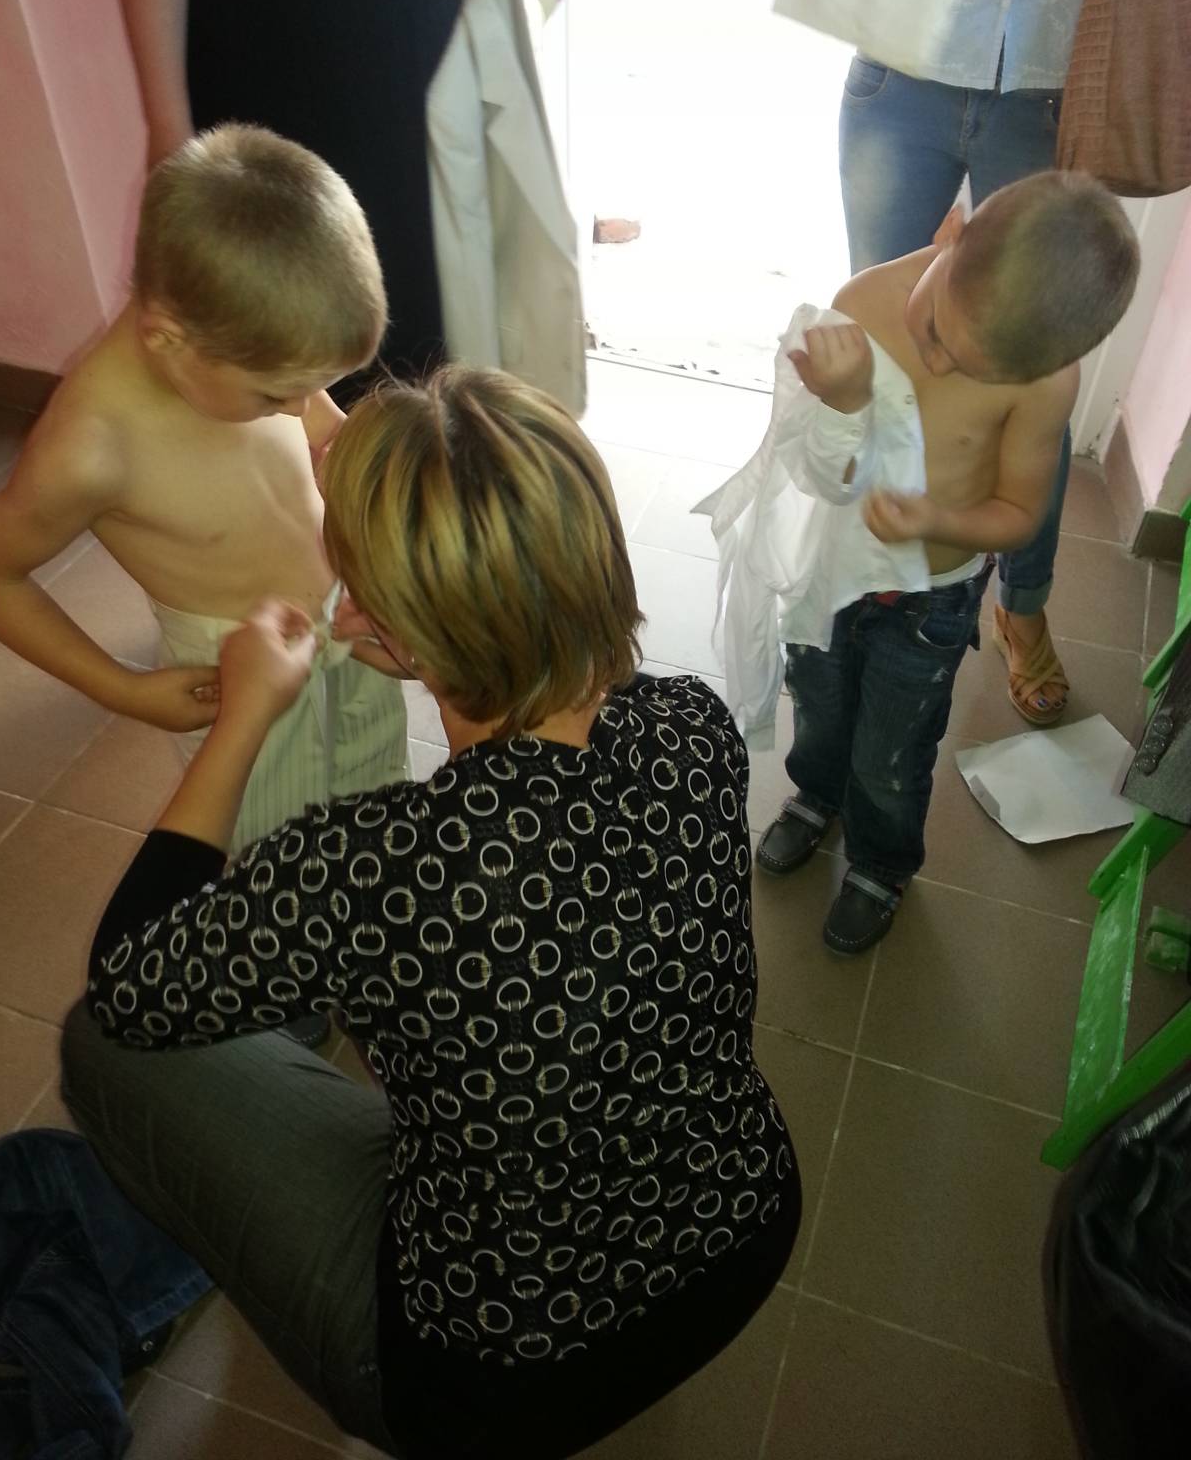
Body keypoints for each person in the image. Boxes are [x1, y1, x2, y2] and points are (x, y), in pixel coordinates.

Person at [59, 365, 803, 1460]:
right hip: (741, 1230)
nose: (344, 603)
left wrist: (244, 717)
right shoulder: (692, 725)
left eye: (360, 584)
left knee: (96, 1040)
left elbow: (131, 985)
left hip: (489, 1382)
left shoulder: (379, 864)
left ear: (399, 632)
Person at [783, 0, 1191, 725]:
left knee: (1025, 367)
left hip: (1058, 74)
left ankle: (1021, 601)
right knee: (888, 343)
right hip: (902, 55)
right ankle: (864, 574)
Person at [702, 171, 1139, 954]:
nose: (935, 362)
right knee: (820, 700)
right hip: (834, 571)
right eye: (935, 329)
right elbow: (813, 471)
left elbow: (1019, 514)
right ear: (950, 233)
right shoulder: (864, 302)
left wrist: (940, 519)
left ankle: (881, 860)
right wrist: (842, 399)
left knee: (893, 749)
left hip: (931, 598)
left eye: (971, 367)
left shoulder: (1047, 382)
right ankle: (817, 794)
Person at [0, 124, 408, 857]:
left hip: (345, 618)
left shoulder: (237, 338)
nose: (302, 408)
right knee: (268, 850)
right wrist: (121, 688)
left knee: (377, 804)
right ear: (167, 338)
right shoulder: (92, 447)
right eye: (278, 395)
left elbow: (318, 426)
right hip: (238, 673)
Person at [112, 0, 533, 390]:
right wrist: (170, 130)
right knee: (300, 321)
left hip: (442, 12)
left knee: (454, 321)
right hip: (275, 48)